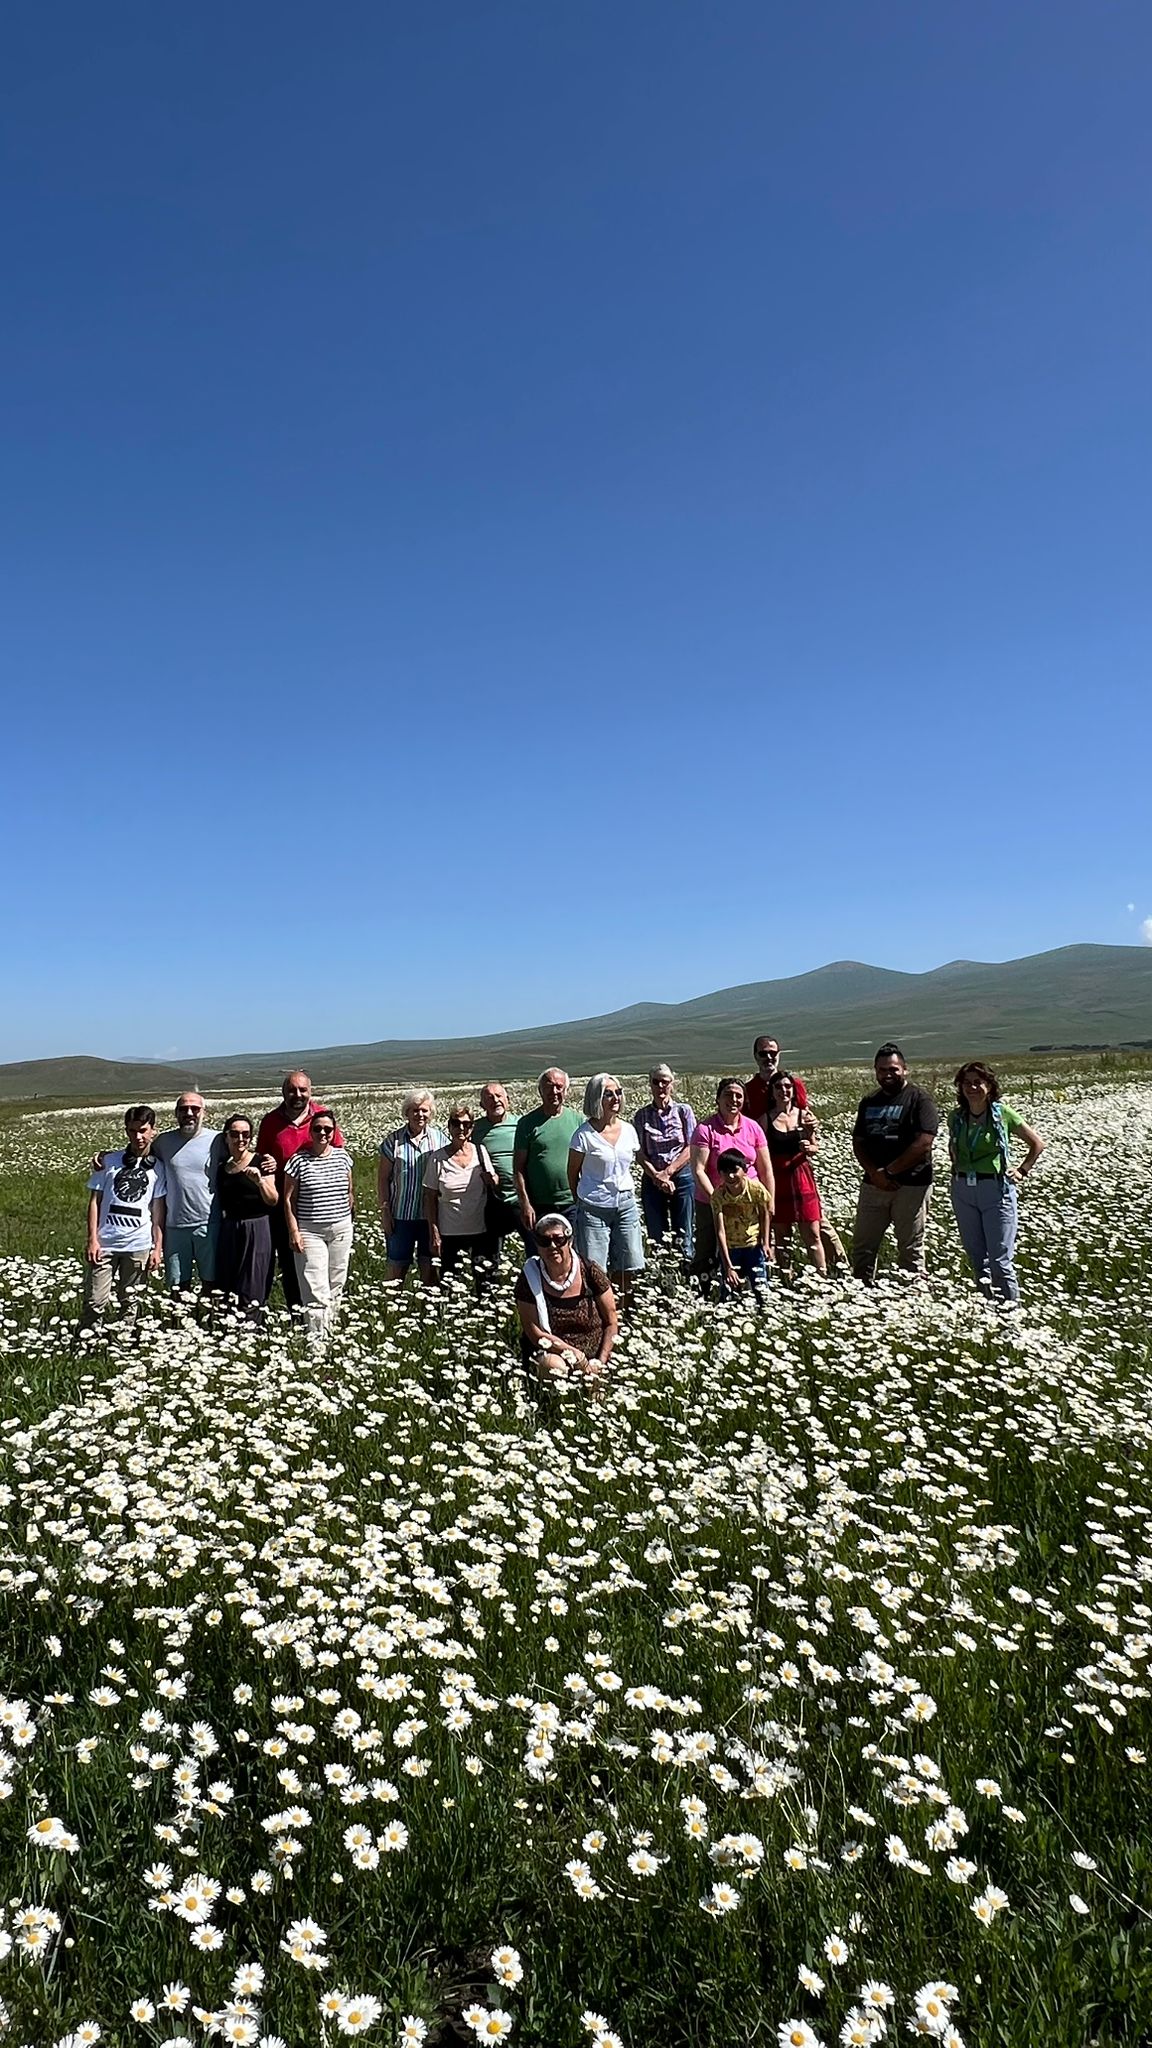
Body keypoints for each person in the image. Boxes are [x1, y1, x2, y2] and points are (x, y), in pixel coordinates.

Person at [948, 1061, 1045, 1303]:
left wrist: (1022, 1170)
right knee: (977, 1259)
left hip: (996, 1189)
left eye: (978, 1082)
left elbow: (1037, 1144)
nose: (972, 1087)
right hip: (963, 1190)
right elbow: (954, 1149)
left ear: (989, 1086)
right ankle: (987, 1312)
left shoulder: (1003, 1114)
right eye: (966, 1083)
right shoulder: (956, 1117)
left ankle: (1009, 1318)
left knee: (1000, 1261)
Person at [851, 1044, 939, 1283]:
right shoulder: (869, 1101)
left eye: (893, 1069)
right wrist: (874, 1173)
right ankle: (861, 1291)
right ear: (875, 1071)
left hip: (911, 1186)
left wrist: (888, 1172)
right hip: (873, 1185)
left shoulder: (920, 1100)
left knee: (910, 1247)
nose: (887, 1074)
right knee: (863, 1246)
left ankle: (912, 1298)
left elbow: (924, 1143)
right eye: (882, 1070)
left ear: (905, 1069)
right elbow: (858, 1142)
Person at [76, 1107, 166, 1338]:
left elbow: (157, 1211)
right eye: (132, 1131)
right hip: (105, 1244)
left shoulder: (158, 1168)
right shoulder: (108, 1162)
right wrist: (92, 1239)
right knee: (96, 1300)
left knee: (131, 1301)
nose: (138, 1137)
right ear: (126, 1131)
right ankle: (87, 1342)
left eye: (143, 1131)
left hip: (138, 1245)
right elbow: (95, 1201)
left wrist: (157, 1248)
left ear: (153, 1131)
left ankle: (122, 1343)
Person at [257, 1073, 345, 1307]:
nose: (298, 1095)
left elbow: (340, 1157)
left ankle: (327, 1317)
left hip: (323, 1207)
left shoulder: (322, 1119)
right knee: (290, 1262)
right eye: (292, 1090)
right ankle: (298, 1314)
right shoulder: (270, 1122)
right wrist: (268, 1164)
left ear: (310, 1091)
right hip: (284, 1206)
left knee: (329, 1267)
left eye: (302, 1090)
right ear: (283, 1092)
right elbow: (262, 1158)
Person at [513, 1212, 618, 1384]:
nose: (552, 1246)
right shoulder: (530, 1278)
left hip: (597, 1355)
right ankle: (554, 1404)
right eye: (545, 1241)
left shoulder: (590, 1271)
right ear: (537, 1245)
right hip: (555, 1353)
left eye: (559, 1239)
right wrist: (574, 1354)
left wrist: (601, 1361)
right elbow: (535, 1333)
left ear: (569, 1241)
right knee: (553, 1366)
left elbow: (611, 1321)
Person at [690, 1079, 774, 1282]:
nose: (733, 1100)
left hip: (750, 1203)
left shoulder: (753, 1128)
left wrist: (769, 1204)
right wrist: (719, 1200)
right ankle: (706, 1296)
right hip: (711, 1201)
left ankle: (752, 1292)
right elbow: (699, 1170)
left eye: (738, 1095)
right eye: (728, 1094)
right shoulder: (705, 1129)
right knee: (708, 1251)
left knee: (752, 1250)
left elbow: (766, 1170)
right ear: (718, 1099)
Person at [567, 1074, 645, 1292]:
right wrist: (580, 1199)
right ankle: (601, 1317)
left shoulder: (628, 1130)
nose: (615, 1098)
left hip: (626, 1205)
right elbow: (572, 1172)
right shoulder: (583, 1135)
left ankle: (626, 1311)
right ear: (595, 1098)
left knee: (628, 1263)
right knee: (595, 1268)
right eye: (608, 1094)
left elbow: (635, 1160)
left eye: (618, 1092)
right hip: (593, 1208)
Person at [284, 1112, 355, 1341]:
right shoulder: (297, 1161)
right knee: (314, 1287)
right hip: (310, 1231)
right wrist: (293, 1230)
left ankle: (330, 1333)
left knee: (336, 1282)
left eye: (327, 1129)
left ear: (334, 1132)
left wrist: (347, 1217)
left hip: (341, 1228)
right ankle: (317, 1345)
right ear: (310, 1131)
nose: (323, 1133)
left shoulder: (343, 1157)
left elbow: (349, 1191)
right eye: (318, 1129)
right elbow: (288, 1200)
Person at [152, 1093, 224, 1296]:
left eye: (195, 1108)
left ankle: (210, 1323)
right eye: (183, 1109)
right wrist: (106, 1157)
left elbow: (242, 1156)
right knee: (177, 1287)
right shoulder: (163, 1142)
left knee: (212, 1285)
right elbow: (136, 1154)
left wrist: (266, 1161)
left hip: (209, 1224)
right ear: (176, 1113)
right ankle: (177, 1326)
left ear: (204, 1113)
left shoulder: (218, 1140)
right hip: (174, 1227)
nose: (189, 1113)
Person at [423, 1104, 500, 1290]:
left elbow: (494, 1181)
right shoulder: (437, 1159)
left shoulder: (480, 1153)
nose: (461, 1128)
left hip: (481, 1230)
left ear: (472, 1128)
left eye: (467, 1124)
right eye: (456, 1124)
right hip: (450, 1233)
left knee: (484, 1281)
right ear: (449, 1127)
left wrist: (493, 1179)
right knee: (450, 1282)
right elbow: (429, 1197)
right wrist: (434, 1232)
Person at [378, 1089, 447, 1284]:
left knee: (431, 1267)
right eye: (415, 1110)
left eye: (424, 1110)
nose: (420, 1115)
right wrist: (385, 1212)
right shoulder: (393, 1141)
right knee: (396, 1267)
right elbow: (383, 1179)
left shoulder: (441, 1139)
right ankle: (390, 1311)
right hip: (401, 1216)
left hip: (430, 1217)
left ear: (431, 1113)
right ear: (407, 1113)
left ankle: (428, 1309)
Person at [214, 1113, 278, 1315]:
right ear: (226, 1137)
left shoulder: (262, 1162)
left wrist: (259, 1182)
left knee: (253, 1279)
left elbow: (273, 1199)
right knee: (228, 1279)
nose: (240, 1139)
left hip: (256, 1226)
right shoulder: (222, 1168)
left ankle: (251, 1328)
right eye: (235, 1134)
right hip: (230, 1227)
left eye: (246, 1134)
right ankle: (229, 1325)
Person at [764, 1072, 827, 1276]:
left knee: (812, 1232)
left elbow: (816, 1146)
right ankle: (786, 1278)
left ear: (793, 1090)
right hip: (778, 1178)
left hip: (802, 1177)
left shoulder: (805, 1115)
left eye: (788, 1087)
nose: (784, 1091)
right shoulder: (765, 1119)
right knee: (782, 1235)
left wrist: (810, 1146)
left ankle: (822, 1277)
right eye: (779, 1087)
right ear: (772, 1092)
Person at [633, 1066, 697, 1258]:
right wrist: (657, 1176)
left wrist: (668, 1172)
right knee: (656, 1234)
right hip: (652, 1179)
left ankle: (687, 1272)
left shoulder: (683, 1111)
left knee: (683, 1232)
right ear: (650, 1085)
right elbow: (639, 1152)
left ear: (672, 1084)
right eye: (656, 1082)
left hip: (682, 1176)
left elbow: (691, 1146)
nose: (660, 1086)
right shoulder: (641, 1115)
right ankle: (661, 1273)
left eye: (665, 1082)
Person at [513, 1069, 582, 1243]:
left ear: (566, 1090)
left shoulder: (578, 1121)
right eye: (549, 1086)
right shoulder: (527, 1124)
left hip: (572, 1203)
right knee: (539, 1256)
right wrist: (525, 1204)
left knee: (572, 1256)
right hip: (539, 1205)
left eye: (559, 1087)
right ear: (540, 1091)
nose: (554, 1092)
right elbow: (518, 1168)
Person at [474, 1081, 525, 1258]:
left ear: (507, 1100)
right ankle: (488, 1284)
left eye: (499, 1096)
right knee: (489, 1256)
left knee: (534, 1250)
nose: (495, 1101)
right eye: (489, 1098)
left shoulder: (522, 1124)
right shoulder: (474, 1129)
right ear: (482, 1105)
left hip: (522, 1199)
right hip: (491, 1202)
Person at [711, 1150, 772, 1297]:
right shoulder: (718, 1196)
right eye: (725, 1172)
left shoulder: (756, 1189)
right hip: (731, 1248)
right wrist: (728, 1265)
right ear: (720, 1173)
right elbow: (720, 1230)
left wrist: (765, 1242)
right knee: (729, 1290)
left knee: (760, 1287)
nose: (730, 1176)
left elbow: (764, 1214)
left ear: (744, 1170)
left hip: (753, 1246)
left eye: (734, 1171)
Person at [744, 1035, 810, 1122]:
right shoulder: (747, 1090)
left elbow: (805, 1115)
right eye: (763, 1054)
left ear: (779, 1054)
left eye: (773, 1053)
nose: (769, 1057)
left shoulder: (794, 1084)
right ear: (756, 1056)